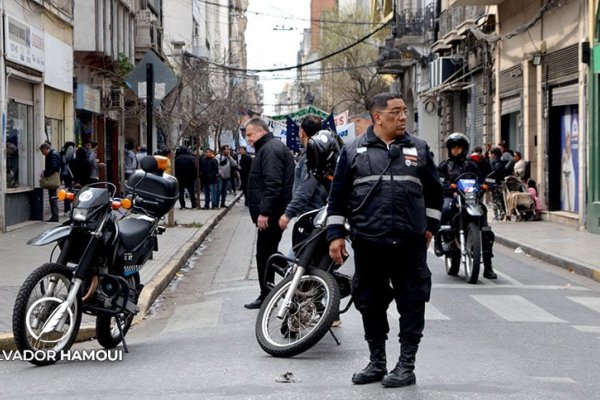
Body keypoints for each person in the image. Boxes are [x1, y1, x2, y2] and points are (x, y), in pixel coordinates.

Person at [327, 93, 443, 388]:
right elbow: (337, 197)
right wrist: (336, 235)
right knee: (370, 302)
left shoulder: (419, 148)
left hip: (409, 245)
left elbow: (435, 192)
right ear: (378, 117)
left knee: (413, 302)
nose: (403, 117)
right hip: (369, 243)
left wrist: (429, 226)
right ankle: (377, 361)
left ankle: (406, 365)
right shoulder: (353, 151)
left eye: (404, 111)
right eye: (396, 112)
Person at [244, 117, 294, 310]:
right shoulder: (268, 148)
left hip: (271, 213)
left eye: (249, 134)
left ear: (260, 131)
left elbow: (273, 183)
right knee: (267, 253)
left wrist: (264, 212)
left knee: (266, 254)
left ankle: (278, 288)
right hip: (273, 211)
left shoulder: (271, 149)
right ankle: (270, 292)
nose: (247, 139)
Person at [435, 133, 497, 280]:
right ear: (450, 149)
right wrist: (449, 188)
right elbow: (438, 180)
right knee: (445, 208)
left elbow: (481, 179)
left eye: (459, 147)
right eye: (454, 148)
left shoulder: (471, 165)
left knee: (485, 224)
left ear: (464, 149)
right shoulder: (444, 165)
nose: (456, 150)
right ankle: (440, 240)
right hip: (453, 197)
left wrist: (486, 185)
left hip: (471, 198)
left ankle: (488, 267)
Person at [278, 115, 327, 231]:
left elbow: (306, 188)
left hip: (311, 216)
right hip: (315, 215)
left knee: (298, 249)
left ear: (302, 132)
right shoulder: (319, 154)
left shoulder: (312, 157)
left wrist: (288, 214)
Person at [39, 142, 61, 222]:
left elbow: (53, 167)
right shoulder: (53, 154)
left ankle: (55, 216)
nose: (43, 154)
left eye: (42, 151)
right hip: (52, 178)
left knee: (53, 197)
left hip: (52, 179)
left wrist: (45, 173)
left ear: (45, 149)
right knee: (52, 197)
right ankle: (54, 216)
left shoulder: (52, 155)